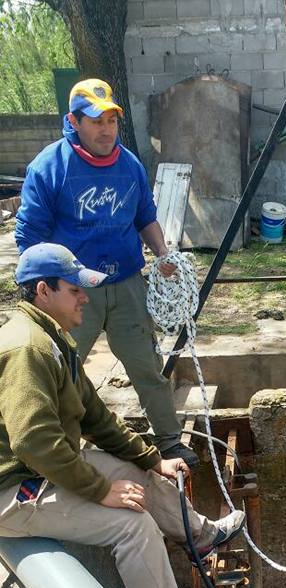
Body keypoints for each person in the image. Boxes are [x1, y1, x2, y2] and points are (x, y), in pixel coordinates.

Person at [0, 242, 245, 588]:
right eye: (74, 289)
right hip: (14, 490)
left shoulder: (52, 338)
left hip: (42, 468)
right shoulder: (28, 348)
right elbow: (34, 441)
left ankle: (199, 536)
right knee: (130, 526)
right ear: (43, 291)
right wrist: (101, 492)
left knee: (136, 474)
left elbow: (96, 417)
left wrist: (151, 459)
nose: (84, 297)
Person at [14, 78, 198, 467]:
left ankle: (169, 441)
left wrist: (163, 254)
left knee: (147, 366)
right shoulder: (50, 167)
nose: (106, 129)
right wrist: (44, 291)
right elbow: (29, 237)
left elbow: (146, 217)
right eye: (96, 121)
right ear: (74, 121)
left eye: (112, 120)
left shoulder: (128, 165)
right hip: (75, 289)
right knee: (61, 370)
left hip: (126, 283)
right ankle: (60, 453)